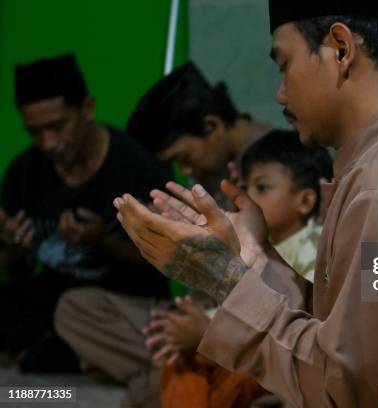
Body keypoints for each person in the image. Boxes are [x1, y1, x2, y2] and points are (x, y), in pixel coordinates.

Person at [114, 1, 378, 406]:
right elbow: (342, 338)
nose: (280, 94)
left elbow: (351, 393)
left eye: (285, 65)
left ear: (340, 49)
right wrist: (257, 262)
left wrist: (225, 282)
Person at [54, 63, 271, 408]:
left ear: (212, 127)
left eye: (286, 66)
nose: (185, 171)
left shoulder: (271, 170)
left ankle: (161, 375)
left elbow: (275, 287)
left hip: (246, 318)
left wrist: (209, 328)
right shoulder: (213, 166)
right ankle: (168, 369)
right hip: (205, 309)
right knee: (74, 308)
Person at [0, 53, 171, 372]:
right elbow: (16, 271)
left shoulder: (139, 167)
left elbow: (170, 263)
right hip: (52, 299)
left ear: (87, 109)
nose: (49, 143)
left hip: (119, 301)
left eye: (57, 127)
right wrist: (12, 250)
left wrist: (103, 243)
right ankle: (65, 351)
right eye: (35, 132)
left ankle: (59, 351)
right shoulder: (24, 171)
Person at [151, 130, 332, 408]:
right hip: (251, 342)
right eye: (244, 187)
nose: (249, 198)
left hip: (286, 356)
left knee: (209, 369)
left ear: (305, 201)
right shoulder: (259, 241)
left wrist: (207, 330)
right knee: (180, 361)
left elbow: (303, 321)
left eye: (261, 188)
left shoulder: (314, 249)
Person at [127, 61, 271, 203]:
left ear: (211, 127)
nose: (185, 171)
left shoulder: (275, 165)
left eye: (184, 158)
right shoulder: (218, 166)